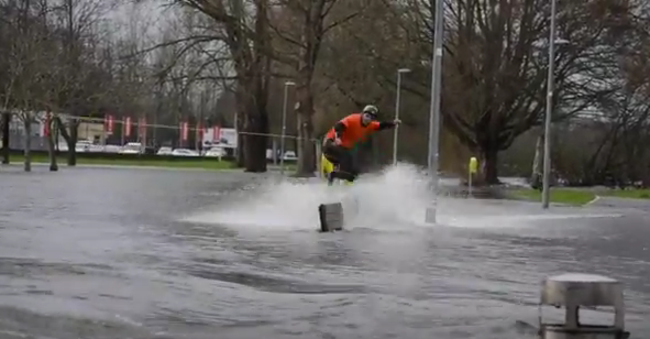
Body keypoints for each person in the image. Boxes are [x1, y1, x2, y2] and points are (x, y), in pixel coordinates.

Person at [322, 105, 400, 184]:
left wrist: (393, 123)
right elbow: (339, 126)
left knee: (354, 172)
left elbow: (381, 125)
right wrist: (338, 137)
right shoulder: (353, 119)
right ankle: (333, 176)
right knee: (346, 158)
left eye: (371, 118)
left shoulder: (370, 125)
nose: (368, 119)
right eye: (366, 116)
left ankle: (338, 183)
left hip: (342, 149)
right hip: (331, 143)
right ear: (362, 114)